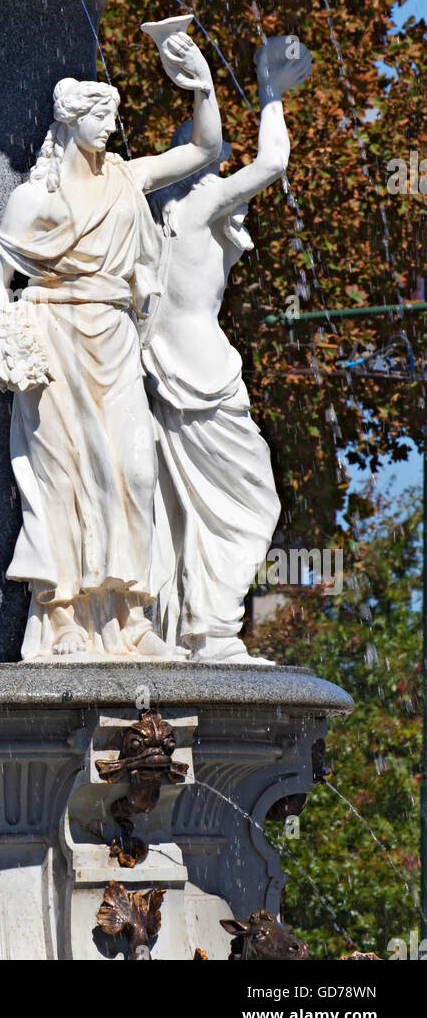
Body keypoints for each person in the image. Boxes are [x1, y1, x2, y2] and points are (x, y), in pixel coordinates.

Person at [0, 31, 221, 659]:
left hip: (113, 337)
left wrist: (201, 83)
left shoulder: (126, 178)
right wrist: (2, 347)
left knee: (133, 473)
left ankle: (129, 617)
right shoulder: (34, 199)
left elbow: (206, 146)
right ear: (72, 121)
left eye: (115, 118)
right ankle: (61, 614)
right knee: (60, 476)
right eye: (103, 118)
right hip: (53, 336)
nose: (113, 129)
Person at [142, 34, 312, 662]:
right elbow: (272, 165)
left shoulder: (146, 216)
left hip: (157, 370)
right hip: (204, 371)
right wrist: (269, 92)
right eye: (220, 166)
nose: (227, 174)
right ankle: (211, 627)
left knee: (175, 507)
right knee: (250, 501)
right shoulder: (198, 204)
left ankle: (193, 625)